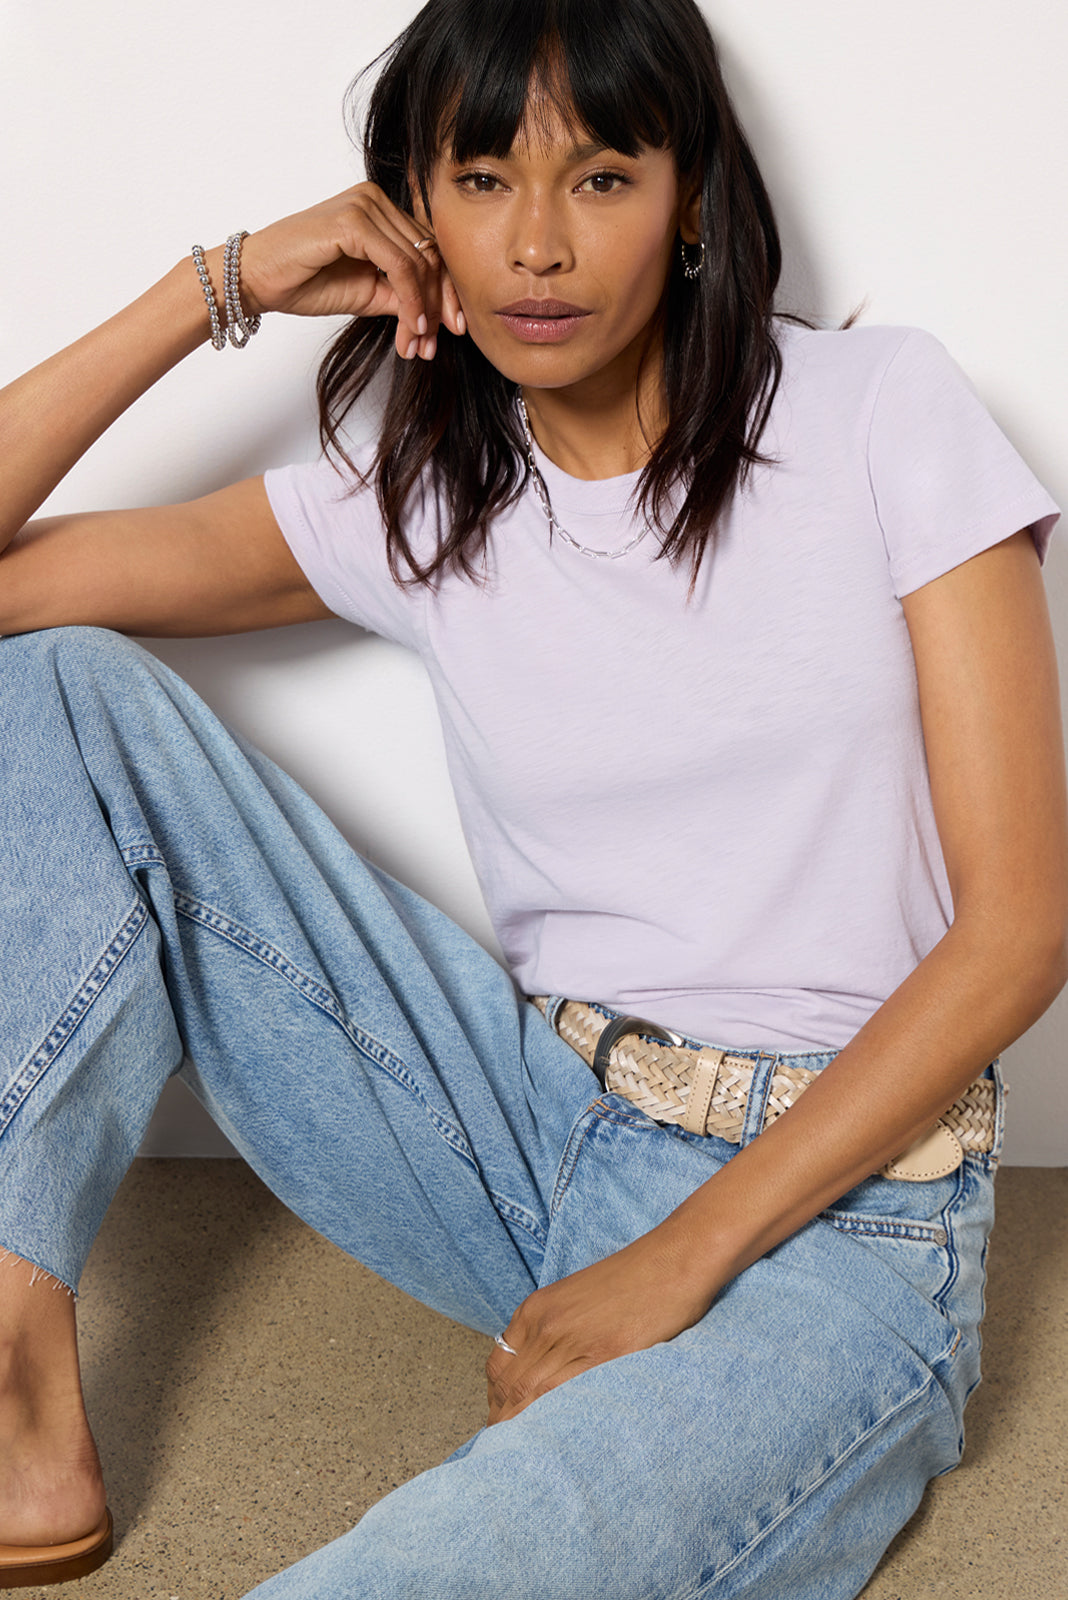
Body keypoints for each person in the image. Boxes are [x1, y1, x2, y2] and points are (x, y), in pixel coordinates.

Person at [0, 0, 1064, 1594]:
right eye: (484, 179)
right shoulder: (430, 499)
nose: (540, 245)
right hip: (531, 1124)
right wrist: (217, 286)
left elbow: (1021, 932)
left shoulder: (879, 414)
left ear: (691, 199)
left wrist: (676, 1260)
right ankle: (14, 1363)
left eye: (603, 177)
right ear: (415, 214)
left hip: (847, 1224)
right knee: (58, 687)